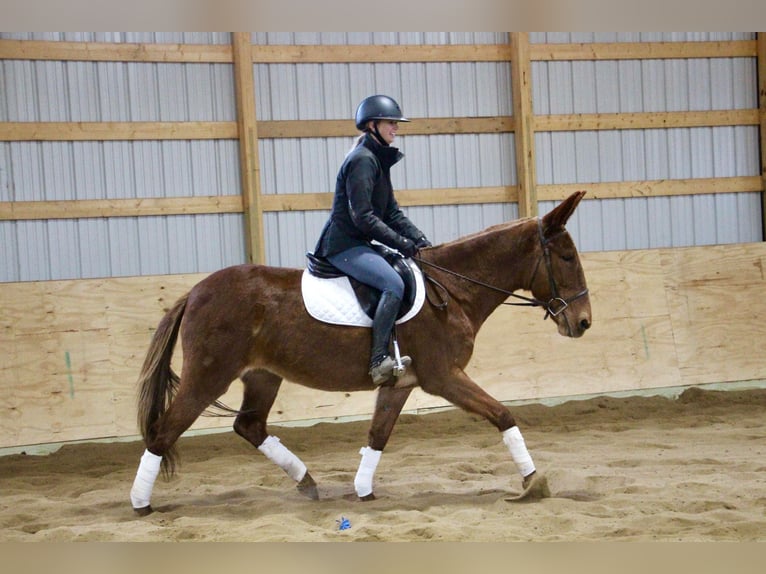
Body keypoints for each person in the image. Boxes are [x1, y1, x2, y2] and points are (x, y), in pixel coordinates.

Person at [313, 94, 432, 386]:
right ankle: (378, 359)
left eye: (396, 123)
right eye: (391, 123)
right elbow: (363, 217)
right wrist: (400, 243)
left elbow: (390, 211)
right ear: (372, 125)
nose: (396, 128)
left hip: (360, 243)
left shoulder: (377, 158)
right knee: (393, 283)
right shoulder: (363, 160)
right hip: (343, 246)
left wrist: (418, 238)